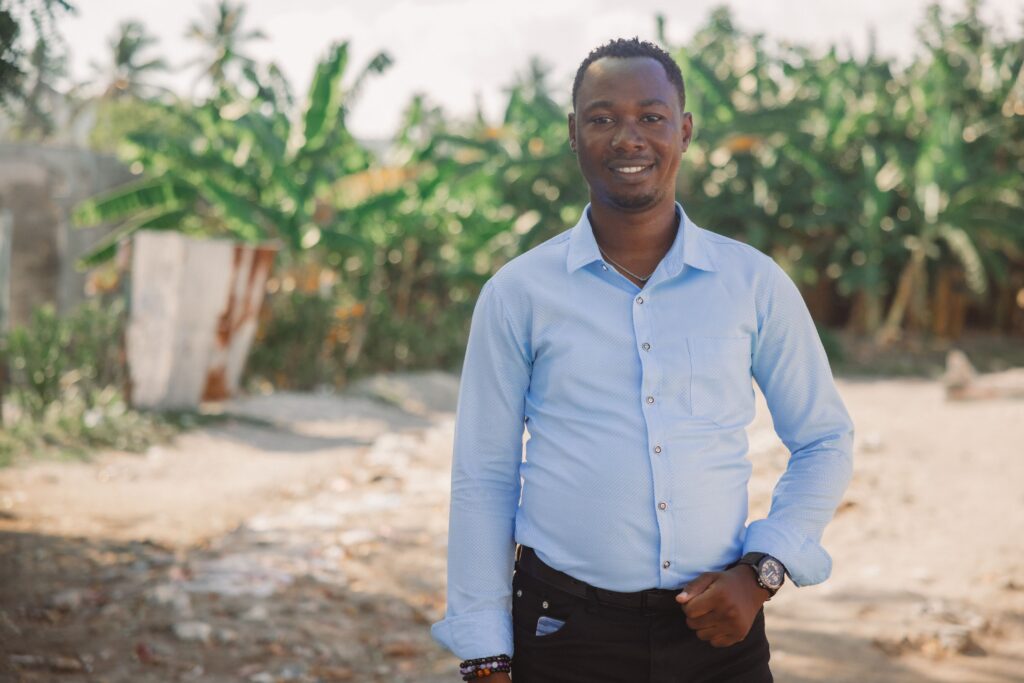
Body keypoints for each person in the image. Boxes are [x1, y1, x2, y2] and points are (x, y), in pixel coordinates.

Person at [430, 37, 854, 683]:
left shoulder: (751, 283)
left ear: (682, 130)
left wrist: (762, 572)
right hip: (564, 630)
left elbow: (824, 437)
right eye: (602, 118)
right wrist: (485, 650)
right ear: (574, 134)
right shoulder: (518, 292)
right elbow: (484, 478)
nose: (629, 137)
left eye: (650, 117)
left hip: (719, 629)